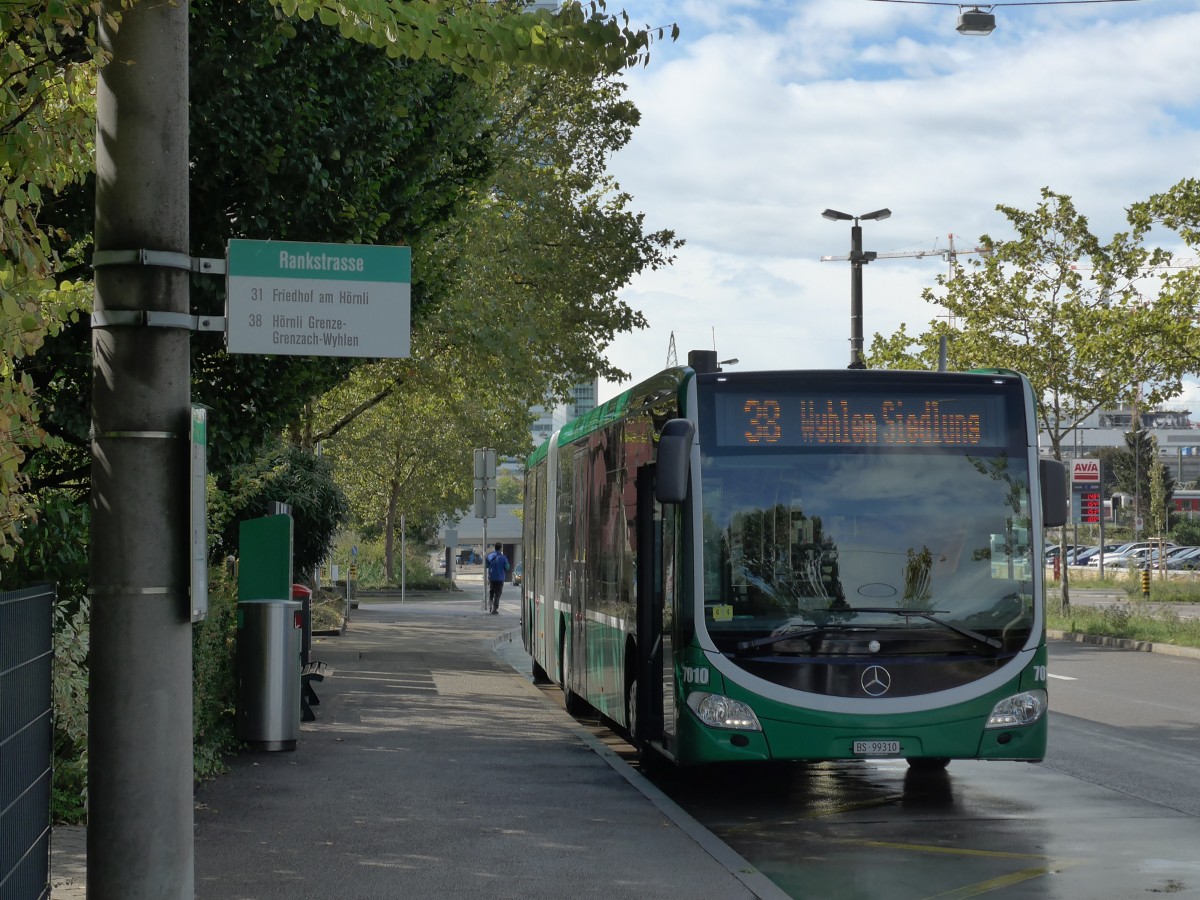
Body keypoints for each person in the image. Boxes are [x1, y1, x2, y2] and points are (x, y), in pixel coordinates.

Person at [485, 543, 510, 614]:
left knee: (492, 591)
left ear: (495, 548)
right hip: (500, 578)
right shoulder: (503, 557)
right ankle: (494, 609)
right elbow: (507, 567)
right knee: (497, 594)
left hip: (492, 578)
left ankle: (490, 604)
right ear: (501, 548)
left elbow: (486, 566)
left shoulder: (489, 556)